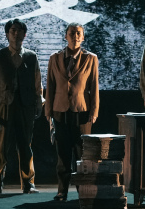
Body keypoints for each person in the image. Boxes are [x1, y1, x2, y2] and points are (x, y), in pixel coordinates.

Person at [0, 18, 43, 194]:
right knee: (0, 147)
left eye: (19, 30)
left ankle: (28, 183)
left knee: (25, 146)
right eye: (13, 30)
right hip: (3, 105)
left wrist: (39, 103)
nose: (16, 34)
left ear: (25, 34)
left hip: (25, 106)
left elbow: (37, 82)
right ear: (8, 34)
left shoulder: (31, 56)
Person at [45, 22, 99, 201]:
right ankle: (62, 191)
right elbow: (50, 86)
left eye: (78, 33)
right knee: (62, 153)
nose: (75, 36)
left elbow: (94, 86)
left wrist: (94, 111)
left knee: (82, 154)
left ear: (83, 37)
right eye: (72, 33)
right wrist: (48, 111)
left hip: (82, 111)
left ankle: (83, 191)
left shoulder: (91, 58)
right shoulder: (54, 58)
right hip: (59, 110)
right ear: (65, 36)